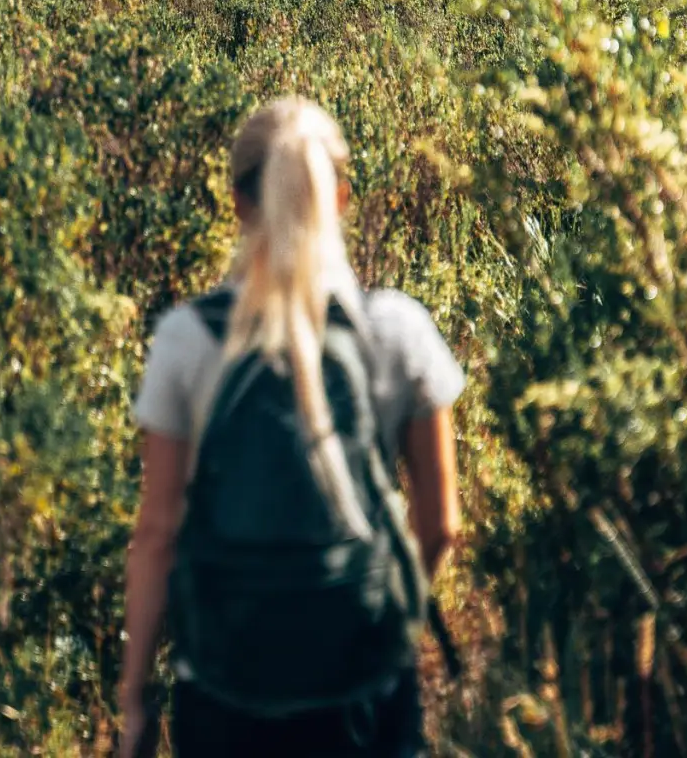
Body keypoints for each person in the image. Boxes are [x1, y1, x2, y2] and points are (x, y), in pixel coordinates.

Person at [119, 97, 464, 758]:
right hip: (362, 690)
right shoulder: (396, 331)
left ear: (237, 202)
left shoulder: (187, 341)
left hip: (224, 687)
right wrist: (385, 620)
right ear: (339, 198)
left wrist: (134, 700)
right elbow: (440, 525)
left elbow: (157, 534)